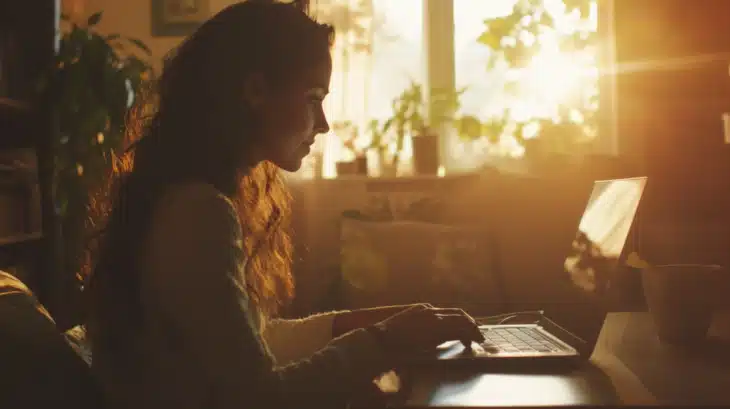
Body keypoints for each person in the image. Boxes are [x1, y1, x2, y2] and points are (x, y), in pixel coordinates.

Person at [83, 1, 484, 408]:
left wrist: (374, 323)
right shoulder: (197, 212)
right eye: (313, 98)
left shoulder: (186, 195)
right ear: (255, 90)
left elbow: (254, 340)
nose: (323, 123)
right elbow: (263, 396)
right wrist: (386, 339)